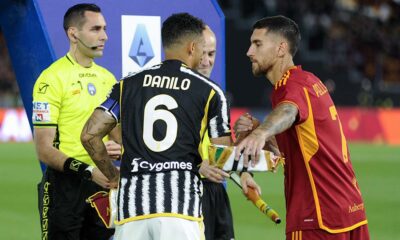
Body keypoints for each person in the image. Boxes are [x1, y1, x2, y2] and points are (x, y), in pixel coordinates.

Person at [80, 13, 250, 240]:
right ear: (192, 47)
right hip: (180, 211)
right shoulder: (209, 91)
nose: (204, 57)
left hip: (133, 210)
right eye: (202, 49)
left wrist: (112, 175)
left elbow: (89, 135)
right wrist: (251, 142)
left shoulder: (127, 84)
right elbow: (222, 157)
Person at [234, 16, 370, 240]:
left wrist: (260, 133)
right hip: (351, 212)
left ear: (281, 48)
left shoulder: (291, 86)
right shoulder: (308, 80)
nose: (249, 51)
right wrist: (264, 135)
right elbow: (297, 150)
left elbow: (288, 110)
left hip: (317, 217)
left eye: (257, 44)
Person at [32, 3, 120, 240]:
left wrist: (119, 149)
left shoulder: (108, 79)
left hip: (101, 186)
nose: (104, 36)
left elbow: (118, 138)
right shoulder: (51, 79)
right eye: (96, 29)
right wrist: (89, 171)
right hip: (64, 188)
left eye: (104, 29)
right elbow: (43, 149)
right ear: (73, 33)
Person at [198, 26, 235, 240]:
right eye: (202, 54)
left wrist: (244, 171)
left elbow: (222, 152)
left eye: (211, 54)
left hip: (215, 191)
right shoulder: (174, 93)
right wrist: (198, 164)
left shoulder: (217, 94)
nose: (207, 61)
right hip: (187, 190)